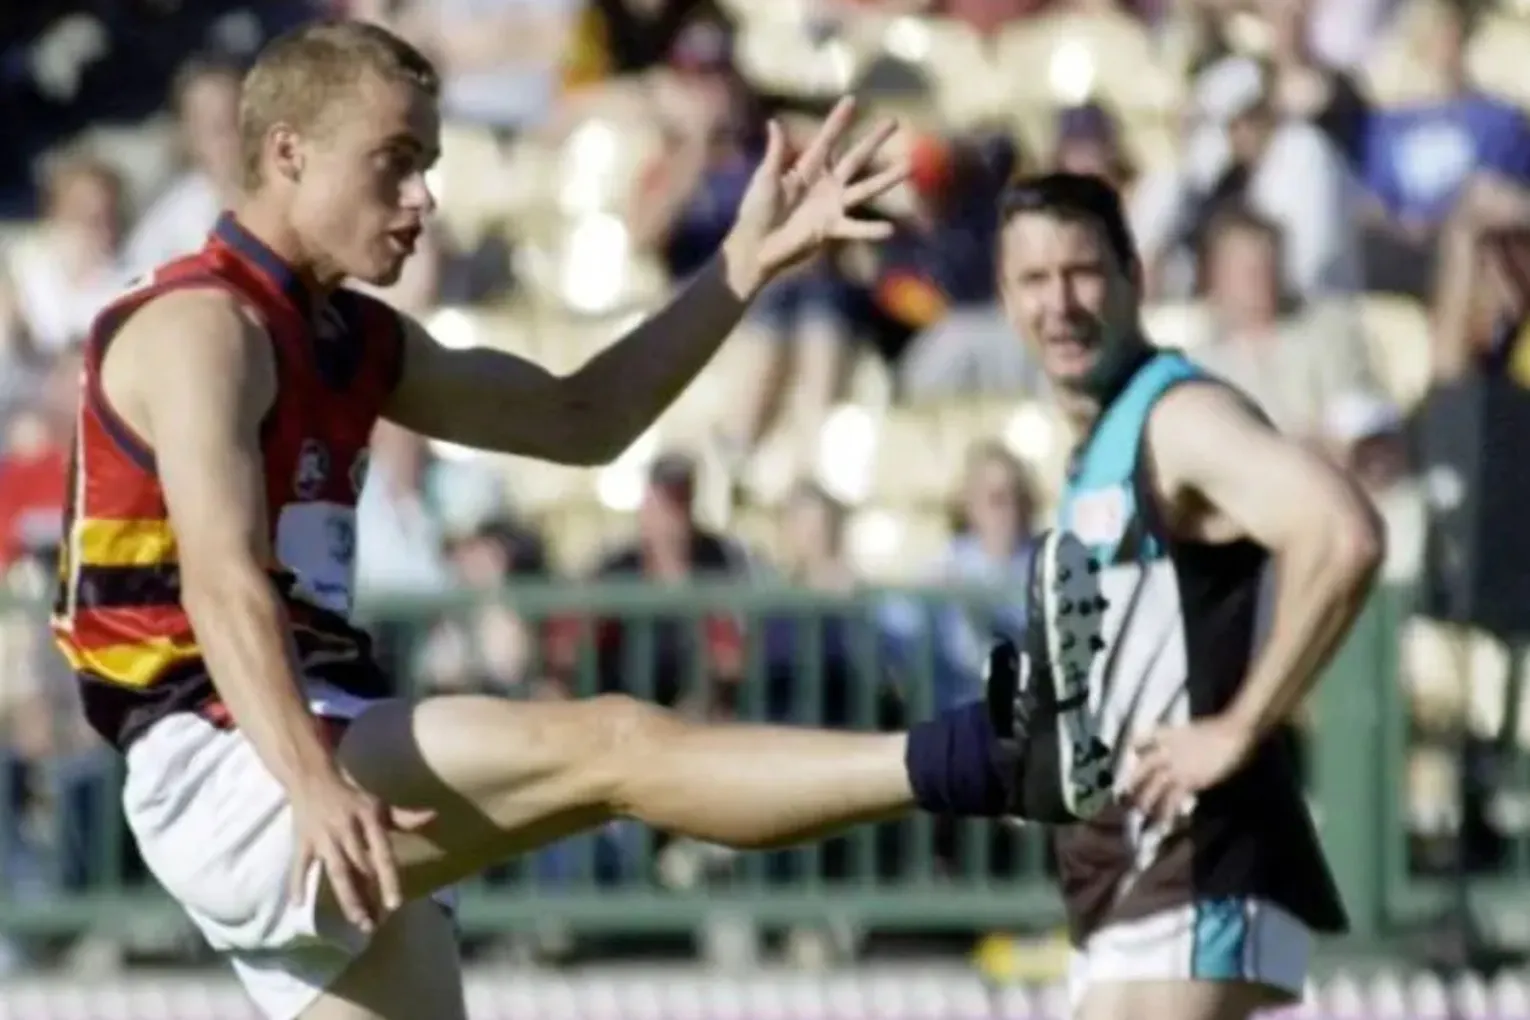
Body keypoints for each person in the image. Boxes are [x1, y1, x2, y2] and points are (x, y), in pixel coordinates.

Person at [49, 20, 1109, 1020]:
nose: (423, 199)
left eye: (431, 164)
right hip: (238, 757)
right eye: (396, 159)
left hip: (309, 743)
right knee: (610, 745)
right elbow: (221, 583)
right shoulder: (204, 326)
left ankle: (994, 757)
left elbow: (583, 417)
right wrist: (314, 786)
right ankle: (993, 756)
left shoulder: (350, 336)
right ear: (288, 152)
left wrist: (742, 266)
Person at [991, 172, 1383, 1020]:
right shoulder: (1096, 449)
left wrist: (1241, 726)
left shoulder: (1178, 418)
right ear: (1004, 294)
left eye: (1083, 271)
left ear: (1136, 276)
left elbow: (1344, 534)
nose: (1059, 302)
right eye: (1034, 278)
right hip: (1127, 880)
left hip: (1196, 866)